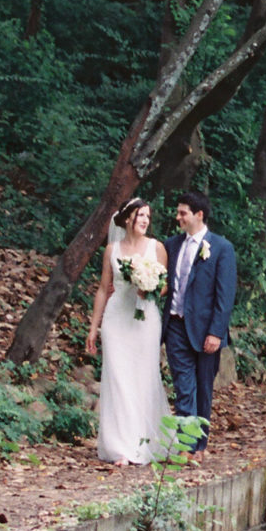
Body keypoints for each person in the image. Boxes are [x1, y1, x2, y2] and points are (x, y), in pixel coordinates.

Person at [86, 196, 173, 466]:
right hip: (116, 319)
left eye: (148, 216)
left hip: (145, 319)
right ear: (127, 219)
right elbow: (103, 288)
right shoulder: (112, 250)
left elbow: (165, 286)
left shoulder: (156, 248)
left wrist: (150, 287)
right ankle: (121, 446)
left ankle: (145, 442)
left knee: (143, 378)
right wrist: (93, 327)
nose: (145, 220)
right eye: (140, 216)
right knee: (118, 379)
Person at [164, 190, 237, 448]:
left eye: (182, 213)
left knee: (203, 388)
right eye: (178, 212)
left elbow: (225, 295)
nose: (178, 218)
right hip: (175, 325)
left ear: (199, 215)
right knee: (184, 386)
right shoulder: (171, 245)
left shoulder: (221, 248)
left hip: (206, 330)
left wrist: (216, 332)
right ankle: (186, 445)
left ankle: (199, 446)